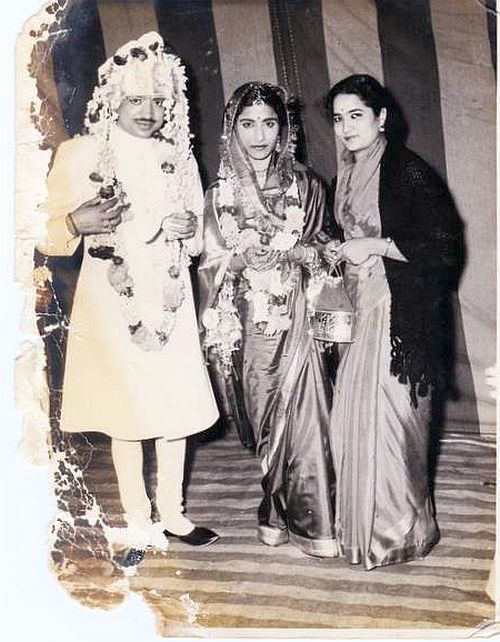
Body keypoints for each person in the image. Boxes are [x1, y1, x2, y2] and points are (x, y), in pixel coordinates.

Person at [38, 32, 220, 566]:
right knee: (128, 410)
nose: (148, 111)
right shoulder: (82, 153)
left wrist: (188, 230)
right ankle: (138, 523)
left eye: (159, 101)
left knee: (170, 402)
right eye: (137, 99)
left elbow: (198, 240)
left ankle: (173, 512)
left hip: (167, 293)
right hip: (113, 294)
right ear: (114, 96)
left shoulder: (177, 157)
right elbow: (38, 230)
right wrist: (76, 220)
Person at [323, 74, 462, 570]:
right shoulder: (346, 175)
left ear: (382, 118)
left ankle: (401, 533)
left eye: (356, 115)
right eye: (338, 119)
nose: (346, 128)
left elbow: (447, 248)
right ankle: (363, 532)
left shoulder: (408, 170)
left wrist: (378, 246)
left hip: (401, 310)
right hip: (360, 305)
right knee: (351, 420)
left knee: (392, 421)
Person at [198, 82, 337, 558]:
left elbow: (329, 246)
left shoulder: (306, 183)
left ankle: (316, 520)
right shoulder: (219, 194)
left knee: (306, 414)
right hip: (246, 319)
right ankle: (275, 506)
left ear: (284, 129)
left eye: (269, 123)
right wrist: (238, 262)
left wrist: (298, 250)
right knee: (260, 414)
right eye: (248, 124)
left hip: (298, 312)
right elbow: (206, 264)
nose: (259, 135)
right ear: (232, 130)